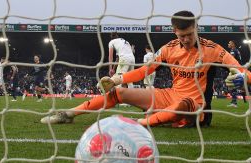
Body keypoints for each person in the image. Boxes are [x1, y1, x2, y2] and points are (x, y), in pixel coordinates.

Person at [41, 10, 251, 127]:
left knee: (182, 104)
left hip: (195, 106)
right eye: (181, 35)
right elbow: (144, 71)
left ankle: (138, 124)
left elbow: (243, 71)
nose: (186, 40)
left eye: (190, 34)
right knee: (120, 92)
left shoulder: (213, 50)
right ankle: (68, 114)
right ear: (174, 31)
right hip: (169, 96)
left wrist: (244, 78)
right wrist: (117, 80)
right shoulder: (168, 49)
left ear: (196, 28)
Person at [227, 40, 243, 107]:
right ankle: (234, 102)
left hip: (235, 69)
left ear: (233, 44)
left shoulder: (233, 50)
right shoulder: (236, 50)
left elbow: (231, 59)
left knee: (231, 85)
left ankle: (234, 103)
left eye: (229, 43)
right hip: (237, 68)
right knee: (231, 86)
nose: (228, 44)